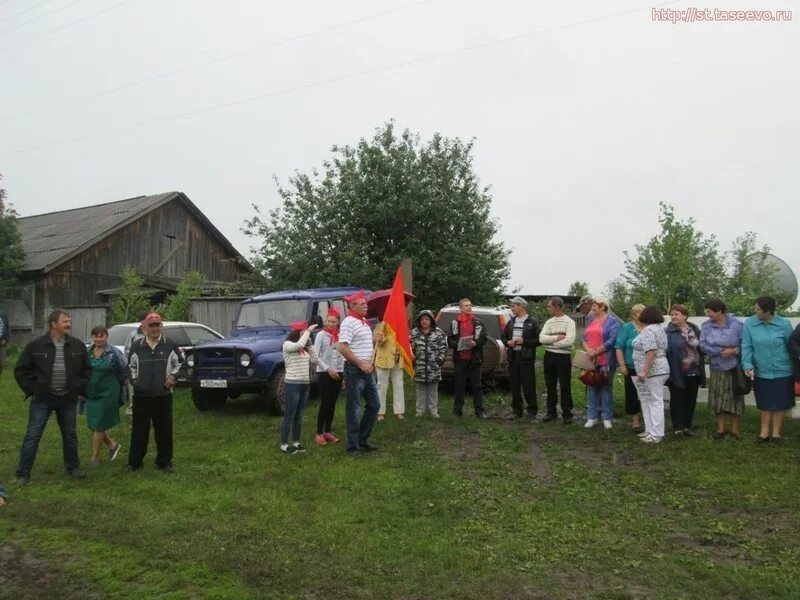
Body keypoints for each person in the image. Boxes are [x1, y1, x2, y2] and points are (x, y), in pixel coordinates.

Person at [14, 309, 91, 484]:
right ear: (53, 324)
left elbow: (87, 370)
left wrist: (78, 387)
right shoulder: (36, 345)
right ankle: (23, 474)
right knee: (32, 435)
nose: (69, 324)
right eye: (65, 321)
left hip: (67, 399)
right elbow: (20, 370)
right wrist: (33, 389)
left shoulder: (78, 346)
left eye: (69, 321)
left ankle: (73, 468)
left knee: (70, 435)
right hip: (42, 399)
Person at [126, 312, 182, 472]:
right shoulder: (137, 346)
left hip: (163, 396)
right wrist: (136, 383)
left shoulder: (170, 345)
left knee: (164, 431)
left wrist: (172, 377)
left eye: (158, 325)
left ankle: (164, 462)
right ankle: (135, 463)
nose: (155, 328)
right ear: (145, 327)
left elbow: (181, 365)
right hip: (141, 397)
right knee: (139, 431)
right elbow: (131, 367)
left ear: (161, 326)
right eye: (152, 325)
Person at [741, 296, 794, 443]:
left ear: (768, 311)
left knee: (780, 403)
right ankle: (764, 433)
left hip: (783, 370)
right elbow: (746, 346)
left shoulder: (784, 324)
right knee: (764, 403)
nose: (755, 311)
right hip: (761, 370)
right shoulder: (750, 324)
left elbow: (792, 346)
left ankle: (776, 434)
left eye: (758, 309)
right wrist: (747, 364)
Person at [337, 290, 381, 455]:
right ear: (352, 305)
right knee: (354, 409)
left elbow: (360, 342)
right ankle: (353, 446)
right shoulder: (348, 322)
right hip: (355, 370)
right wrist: (361, 363)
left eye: (366, 303)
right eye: (362, 304)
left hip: (367, 370)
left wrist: (374, 340)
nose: (366, 306)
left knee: (374, 405)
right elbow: (342, 347)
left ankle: (362, 440)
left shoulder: (363, 322)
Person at [699, 298, 745, 440]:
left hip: (734, 368)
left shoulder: (737, 325)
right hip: (716, 367)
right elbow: (702, 344)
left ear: (720, 311)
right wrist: (719, 352)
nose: (708, 314)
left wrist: (734, 351)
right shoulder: (706, 326)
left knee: (734, 398)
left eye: (710, 311)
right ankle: (720, 429)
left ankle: (735, 431)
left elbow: (746, 344)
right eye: (707, 311)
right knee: (717, 398)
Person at [86, 326, 126, 465]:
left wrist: (121, 390)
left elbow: (123, 371)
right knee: (94, 424)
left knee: (99, 425)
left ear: (106, 337)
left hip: (109, 393)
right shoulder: (88, 352)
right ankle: (112, 446)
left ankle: (95, 457)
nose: (98, 339)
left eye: (101, 336)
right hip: (92, 392)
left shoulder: (114, 353)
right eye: (95, 336)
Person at [581, 296, 622, 429]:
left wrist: (597, 351)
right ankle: (592, 417)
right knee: (591, 386)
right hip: (590, 359)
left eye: (595, 305)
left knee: (606, 387)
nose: (592, 308)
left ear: (603, 307)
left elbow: (613, 339)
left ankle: (606, 417)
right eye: (592, 305)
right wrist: (588, 350)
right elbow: (582, 337)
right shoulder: (591, 320)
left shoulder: (613, 321)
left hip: (606, 359)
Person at [665, 304, 706, 437]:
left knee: (690, 399)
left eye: (676, 314)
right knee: (677, 399)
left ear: (685, 316)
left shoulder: (695, 330)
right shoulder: (668, 332)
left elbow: (701, 348)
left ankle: (687, 426)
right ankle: (678, 427)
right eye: (672, 314)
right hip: (676, 370)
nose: (673, 317)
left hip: (694, 371)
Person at [632, 305, 671, 444]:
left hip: (653, 371)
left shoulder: (649, 330)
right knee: (646, 399)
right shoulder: (659, 329)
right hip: (658, 370)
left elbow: (651, 352)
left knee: (654, 401)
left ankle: (657, 433)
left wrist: (644, 371)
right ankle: (649, 430)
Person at [280, 321, 319, 454]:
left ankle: (296, 442)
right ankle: (284, 444)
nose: (306, 336)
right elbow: (299, 344)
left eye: (306, 333)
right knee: (289, 415)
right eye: (302, 333)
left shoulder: (304, 348)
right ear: (296, 333)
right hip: (292, 384)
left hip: (304, 384)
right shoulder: (288, 345)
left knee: (299, 415)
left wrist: (310, 344)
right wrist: (308, 331)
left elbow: (314, 359)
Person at [501, 296, 541, 421]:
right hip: (513, 357)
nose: (511, 308)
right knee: (514, 385)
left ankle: (532, 411)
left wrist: (524, 341)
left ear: (520, 306)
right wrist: (508, 342)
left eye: (513, 306)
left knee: (528, 385)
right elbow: (503, 336)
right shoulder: (511, 322)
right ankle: (517, 411)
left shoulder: (532, 322)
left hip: (526, 358)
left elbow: (539, 340)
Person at [448, 298, 488, 418]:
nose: (469, 307)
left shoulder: (478, 322)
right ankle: (457, 411)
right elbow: (450, 339)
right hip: (460, 359)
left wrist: (476, 343)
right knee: (459, 385)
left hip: (475, 358)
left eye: (470, 305)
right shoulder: (454, 323)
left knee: (477, 385)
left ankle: (479, 412)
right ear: (460, 308)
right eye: (466, 306)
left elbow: (484, 338)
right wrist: (457, 344)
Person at [538, 296, 576, 423]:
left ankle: (567, 413)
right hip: (549, 356)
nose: (548, 308)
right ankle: (551, 412)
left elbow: (570, 340)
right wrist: (557, 338)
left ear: (556, 307)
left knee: (565, 385)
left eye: (549, 306)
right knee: (550, 385)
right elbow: (541, 338)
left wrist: (551, 343)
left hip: (563, 357)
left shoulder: (569, 322)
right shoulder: (549, 322)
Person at [313, 308, 344, 445]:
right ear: (326, 321)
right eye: (329, 321)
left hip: (338, 372)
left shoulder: (341, 335)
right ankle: (319, 432)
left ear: (338, 322)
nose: (331, 324)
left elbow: (342, 354)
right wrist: (327, 368)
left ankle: (328, 431)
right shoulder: (321, 335)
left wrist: (342, 372)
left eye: (334, 321)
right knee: (325, 402)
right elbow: (314, 356)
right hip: (324, 372)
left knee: (332, 403)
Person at [410, 309, 448, 418]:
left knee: (433, 391)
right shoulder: (414, 333)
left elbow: (443, 348)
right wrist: (412, 360)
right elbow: (409, 348)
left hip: (434, 367)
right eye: (422, 319)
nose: (424, 321)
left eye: (426, 319)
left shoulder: (438, 332)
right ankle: (420, 411)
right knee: (420, 390)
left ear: (431, 320)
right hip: (419, 367)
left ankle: (433, 411)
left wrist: (439, 360)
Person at [615, 304, 645, 432]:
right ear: (634, 314)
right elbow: (619, 347)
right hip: (631, 366)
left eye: (644, 312)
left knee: (646, 394)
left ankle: (649, 420)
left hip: (647, 367)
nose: (642, 315)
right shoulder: (626, 328)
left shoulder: (649, 327)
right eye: (639, 312)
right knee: (632, 394)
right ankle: (635, 421)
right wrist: (622, 365)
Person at [374, 319, 405, 421]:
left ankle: (399, 411)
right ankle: (380, 412)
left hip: (398, 360)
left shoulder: (401, 324)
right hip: (384, 361)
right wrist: (381, 337)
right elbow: (378, 342)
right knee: (381, 387)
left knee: (399, 386)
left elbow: (404, 341)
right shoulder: (380, 325)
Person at [0, 307, 10, 379]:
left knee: (1, 362)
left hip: (1, 340)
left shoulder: (3, 314)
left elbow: (7, 328)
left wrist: (5, 339)